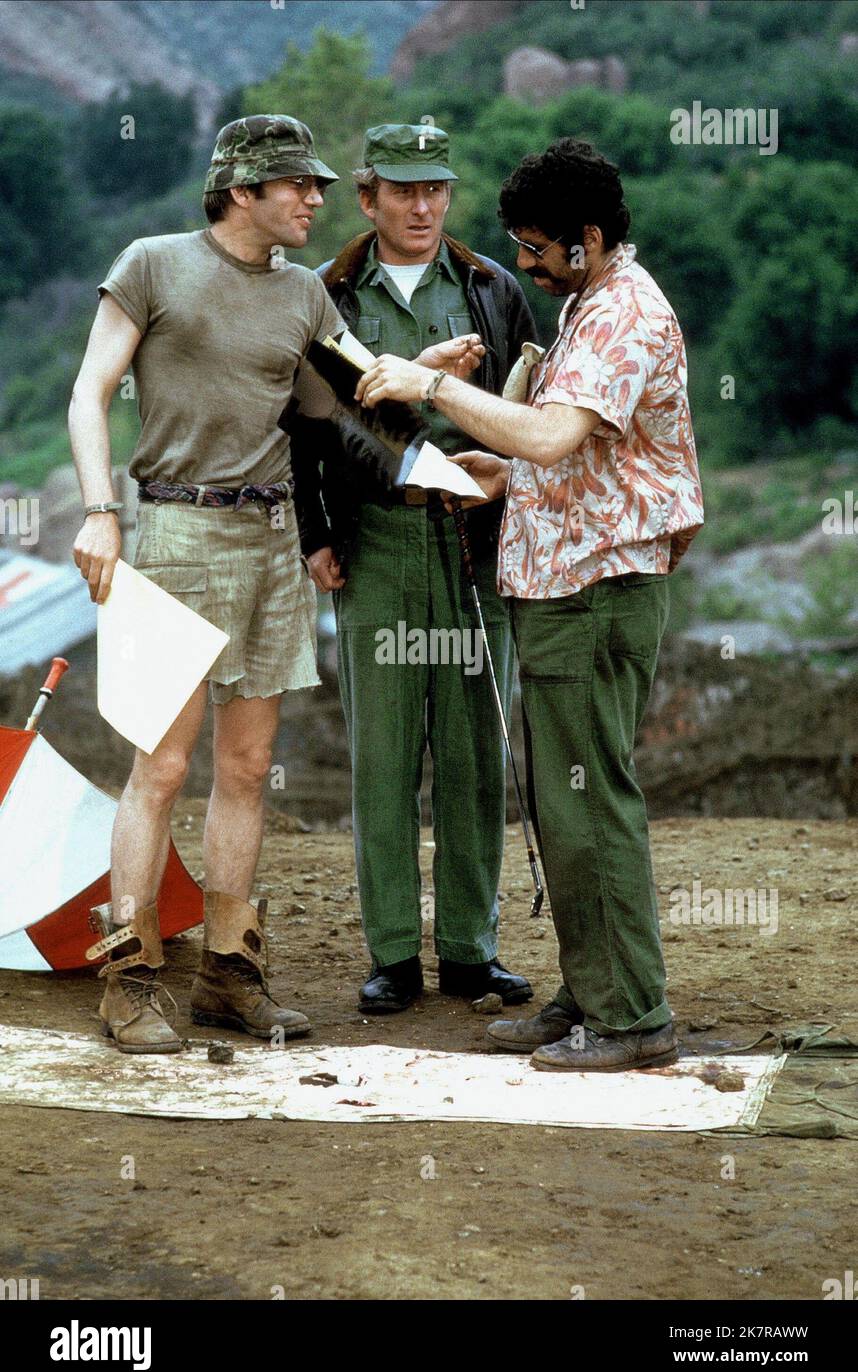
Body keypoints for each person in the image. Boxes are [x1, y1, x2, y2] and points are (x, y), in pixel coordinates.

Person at [353, 138, 704, 1069]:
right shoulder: (592, 305)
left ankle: (633, 1017)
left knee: (592, 806)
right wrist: (506, 474)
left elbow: (554, 436)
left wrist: (434, 387)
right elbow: (575, 453)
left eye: (538, 247)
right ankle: (589, 993)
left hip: (595, 595)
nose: (525, 264)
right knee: (561, 806)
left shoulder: (626, 312)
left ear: (588, 239)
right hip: (561, 590)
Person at [68, 116, 344, 1054]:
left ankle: (229, 971)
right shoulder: (152, 263)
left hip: (272, 540)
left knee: (241, 768)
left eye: (317, 186)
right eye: (298, 185)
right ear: (241, 191)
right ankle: (130, 977)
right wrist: (100, 510)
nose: (315, 199)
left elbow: (340, 405)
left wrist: (421, 378)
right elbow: (88, 390)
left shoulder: (306, 294)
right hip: (176, 531)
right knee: (163, 766)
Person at [292, 120, 537, 1013]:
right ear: (369, 198)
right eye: (403, 190)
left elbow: (528, 414)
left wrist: (508, 505)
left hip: (472, 542)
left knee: (475, 752)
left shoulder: (489, 288)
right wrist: (314, 533)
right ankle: (394, 954)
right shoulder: (328, 294)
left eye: (436, 188)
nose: (423, 205)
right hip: (379, 541)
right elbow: (310, 429)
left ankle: (471, 953)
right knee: (385, 757)